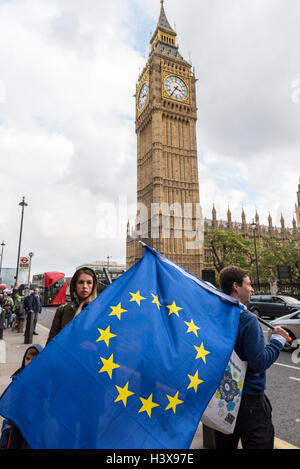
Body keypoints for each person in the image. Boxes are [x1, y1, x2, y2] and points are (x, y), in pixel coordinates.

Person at [213, 266, 289, 449]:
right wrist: (277, 341)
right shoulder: (248, 320)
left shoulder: (214, 316)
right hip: (249, 401)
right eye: (248, 284)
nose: (252, 289)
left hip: (221, 399)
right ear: (236, 286)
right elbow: (259, 363)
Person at [0, 344, 43, 449]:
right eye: (28, 358)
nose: (30, 361)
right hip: (17, 422)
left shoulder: (43, 380)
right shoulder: (17, 377)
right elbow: (12, 400)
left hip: (33, 425)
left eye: (35, 358)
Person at [46, 267, 98, 345]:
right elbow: (51, 343)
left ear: (93, 286)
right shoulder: (62, 311)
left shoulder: (100, 311)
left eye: (89, 282)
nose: (84, 286)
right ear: (74, 285)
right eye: (80, 282)